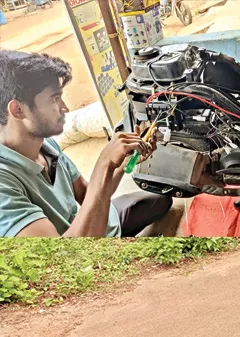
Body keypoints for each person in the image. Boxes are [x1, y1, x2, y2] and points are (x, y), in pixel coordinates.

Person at [0, 50, 172, 237]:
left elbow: (86, 194)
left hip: (92, 225)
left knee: (161, 200)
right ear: (18, 109)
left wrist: (120, 166)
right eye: (54, 99)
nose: (65, 108)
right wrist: (103, 164)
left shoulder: (46, 145)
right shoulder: (4, 185)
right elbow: (61, 259)